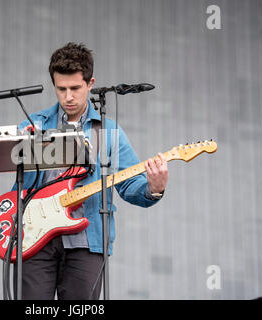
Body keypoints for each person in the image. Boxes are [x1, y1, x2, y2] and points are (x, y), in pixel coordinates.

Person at [12, 42, 168, 300]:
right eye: (61, 89)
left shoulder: (109, 132)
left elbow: (130, 186)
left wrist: (154, 188)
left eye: (75, 88)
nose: (68, 97)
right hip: (33, 238)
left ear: (90, 83)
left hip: (85, 241)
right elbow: (15, 178)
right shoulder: (33, 125)